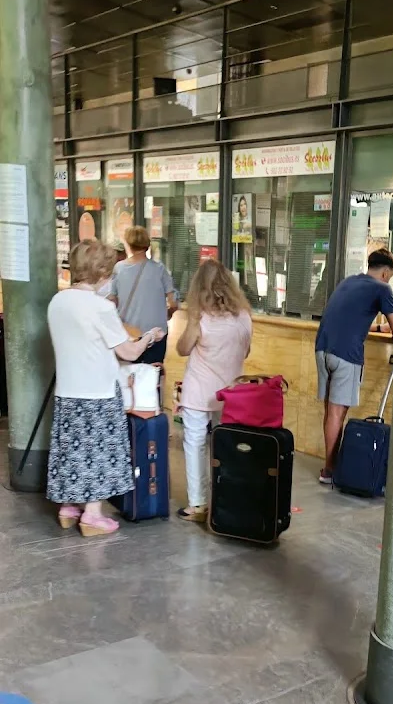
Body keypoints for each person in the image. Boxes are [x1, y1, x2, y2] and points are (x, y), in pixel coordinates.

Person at [47, 239, 166, 537]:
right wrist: (150, 337)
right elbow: (129, 352)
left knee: (72, 449)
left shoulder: (57, 302)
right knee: (98, 452)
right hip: (98, 391)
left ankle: (68, 507)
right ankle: (92, 515)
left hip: (67, 391)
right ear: (101, 271)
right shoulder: (100, 307)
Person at [314, 247, 393, 484]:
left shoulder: (349, 282)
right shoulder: (383, 288)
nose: (389, 280)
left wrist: (377, 327)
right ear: (386, 273)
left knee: (330, 412)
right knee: (337, 413)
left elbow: (350, 318)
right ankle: (329, 471)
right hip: (346, 354)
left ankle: (330, 466)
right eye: (391, 276)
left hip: (322, 348)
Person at [175, 258, 252, 522]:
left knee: (195, 444)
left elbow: (182, 349)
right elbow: (246, 351)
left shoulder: (200, 318)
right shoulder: (244, 317)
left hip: (199, 391)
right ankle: (225, 498)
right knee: (225, 445)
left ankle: (198, 505)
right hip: (231, 393)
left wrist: (193, 324)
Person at [108, 225, 178, 364]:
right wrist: (169, 313)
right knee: (153, 371)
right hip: (156, 332)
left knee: (129, 371)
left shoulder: (119, 269)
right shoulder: (159, 269)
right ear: (147, 245)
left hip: (129, 333)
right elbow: (173, 302)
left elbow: (112, 300)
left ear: (129, 245)